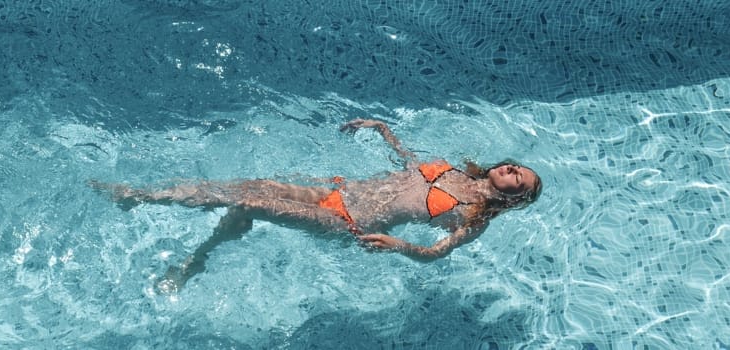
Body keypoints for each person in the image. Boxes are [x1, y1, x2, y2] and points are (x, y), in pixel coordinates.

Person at [92, 119, 542, 293]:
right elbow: (408, 167)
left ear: (516, 197)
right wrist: (383, 130)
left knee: (249, 201)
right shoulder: (456, 173)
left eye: (519, 178)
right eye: (516, 166)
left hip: (343, 219)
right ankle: (147, 201)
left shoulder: (473, 216)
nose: (512, 169)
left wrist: (398, 245)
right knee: (241, 189)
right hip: (335, 189)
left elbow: (438, 253)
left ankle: (175, 237)